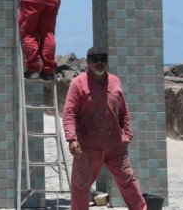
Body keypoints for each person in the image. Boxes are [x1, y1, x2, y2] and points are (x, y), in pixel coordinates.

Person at [62, 47, 147, 210]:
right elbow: (69, 113)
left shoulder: (115, 81)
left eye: (102, 59)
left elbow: (123, 110)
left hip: (115, 146)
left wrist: (127, 134)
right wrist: (71, 139)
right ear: (88, 62)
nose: (99, 62)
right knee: (80, 188)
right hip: (87, 148)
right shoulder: (78, 84)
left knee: (129, 182)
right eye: (95, 59)